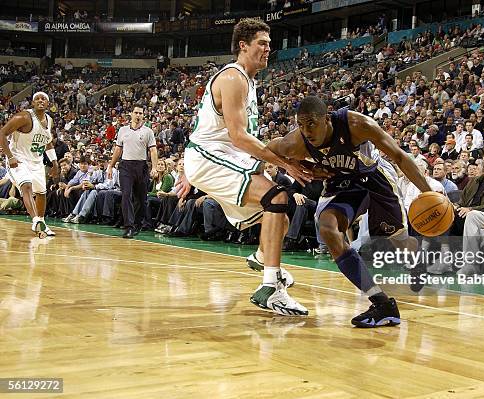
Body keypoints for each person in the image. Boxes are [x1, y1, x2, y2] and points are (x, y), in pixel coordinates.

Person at [178, 19, 312, 316]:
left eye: (268, 43)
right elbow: (238, 136)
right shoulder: (233, 78)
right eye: (262, 43)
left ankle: (263, 257)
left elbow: (235, 140)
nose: (268, 48)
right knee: (277, 197)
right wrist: (285, 164)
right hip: (209, 156)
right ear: (243, 45)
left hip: (220, 157)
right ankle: (271, 289)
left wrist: (266, 166)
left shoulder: (249, 82)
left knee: (279, 217)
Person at [265, 96, 433, 328]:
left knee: (400, 241)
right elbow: (268, 148)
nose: (306, 130)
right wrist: (294, 166)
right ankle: (382, 304)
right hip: (342, 184)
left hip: (375, 179)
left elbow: (399, 156)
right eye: (301, 125)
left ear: (327, 119)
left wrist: (428, 192)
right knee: (328, 229)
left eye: (311, 123)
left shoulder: (357, 125)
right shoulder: (297, 142)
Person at [0, 92, 58, 237]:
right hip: (18, 159)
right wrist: (10, 156)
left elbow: (48, 142)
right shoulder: (24, 117)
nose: (40, 100)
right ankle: (36, 220)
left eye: (43, 98)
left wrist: (55, 163)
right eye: (36, 99)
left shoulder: (49, 120)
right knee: (26, 186)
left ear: (48, 104)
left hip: (36, 160)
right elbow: (2, 133)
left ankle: (42, 223)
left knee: (41, 193)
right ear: (32, 103)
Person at [108, 105, 158, 239]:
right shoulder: (123, 130)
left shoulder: (148, 131)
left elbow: (153, 150)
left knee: (141, 199)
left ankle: (137, 224)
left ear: (143, 116)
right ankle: (128, 226)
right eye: (136, 112)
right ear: (131, 114)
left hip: (141, 166)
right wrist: (110, 166)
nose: (138, 115)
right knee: (126, 195)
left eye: (140, 113)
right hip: (126, 166)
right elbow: (118, 150)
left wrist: (154, 167)